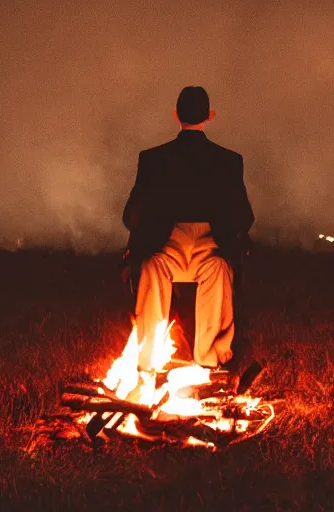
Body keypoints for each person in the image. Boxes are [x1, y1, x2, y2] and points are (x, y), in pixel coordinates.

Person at [122, 86, 254, 369]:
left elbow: (131, 215)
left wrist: (139, 240)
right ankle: (210, 357)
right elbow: (244, 216)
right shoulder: (229, 161)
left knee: (153, 267)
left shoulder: (153, 159)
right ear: (208, 116)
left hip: (165, 245)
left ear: (175, 115)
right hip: (210, 244)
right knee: (218, 268)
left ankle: (147, 360)